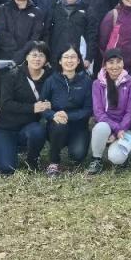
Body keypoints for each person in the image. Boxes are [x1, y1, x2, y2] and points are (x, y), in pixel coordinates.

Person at [0, 42, 50, 174]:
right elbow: (5, 104)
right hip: (6, 129)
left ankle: (32, 159)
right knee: (7, 168)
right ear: (26, 57)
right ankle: (11, 148)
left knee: (38, 130)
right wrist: (32, 108)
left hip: (30, 127)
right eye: (33, 55)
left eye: (41, 55)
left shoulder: (50, 78)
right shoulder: (12, 75)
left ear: (46, 59)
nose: (37, 59)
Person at [40, 46, 92, 176]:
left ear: (78, 61)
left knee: (78, 155)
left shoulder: (86, 81)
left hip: (79, 126)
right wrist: (53, 115)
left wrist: (68, 115)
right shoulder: (51, 81)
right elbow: (42, 106)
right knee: (59, 125)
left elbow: (88, 109)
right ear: (60, 61)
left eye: (73, 57)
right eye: (66, 57)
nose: (69, 60)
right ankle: (54, 161)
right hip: (56, 125)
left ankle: (76, 145)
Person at [87, 49, 131, 174]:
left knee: (117, 158)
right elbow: (98, 113)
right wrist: (116, 129)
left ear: (123, 63)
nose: (115, 66)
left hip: (124, 127)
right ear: (105, 65)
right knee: (101, 127)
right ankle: (96, 159)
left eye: (118, 62)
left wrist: (118, 132)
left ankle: (122, 155)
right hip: (105, 125)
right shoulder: (97, 84)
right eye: (111, 62)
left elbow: (130, 112)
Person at [0, 0, 45, 68]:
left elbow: (35, 37)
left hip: (27, 59)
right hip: (4, 57)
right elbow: (1, 33)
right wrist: (16, 54)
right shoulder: (2, 9)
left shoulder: (37, 12)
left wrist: (22, 54)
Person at [45, 0, 89, 71]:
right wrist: (46, 55)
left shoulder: (87, 9)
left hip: (78, 57)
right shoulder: (54, 8)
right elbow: (47, 33)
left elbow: (91, 34)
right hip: (56, 58)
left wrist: (89, 57)